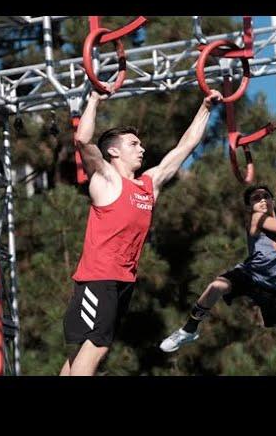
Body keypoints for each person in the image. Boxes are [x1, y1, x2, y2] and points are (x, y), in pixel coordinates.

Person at [60, 85, 223, 376]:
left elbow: (184, 148)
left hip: (123, 281)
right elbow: (83, 139)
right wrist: (95, 98)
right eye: (134, 144)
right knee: (96, 346)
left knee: (84, 351)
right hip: (100, 278)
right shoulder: (105, 178)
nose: (142, 148)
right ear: (113, 151)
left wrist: (205, 108)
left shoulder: (149, 184)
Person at [159, 183, 276, 352]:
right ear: (250, 207)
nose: (262, 200)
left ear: (273, 201)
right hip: (249, 274)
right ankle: (189, 329)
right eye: (256, 198)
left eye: (266, 196)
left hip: (270, 284)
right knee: (216, 286)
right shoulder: (257, 218)